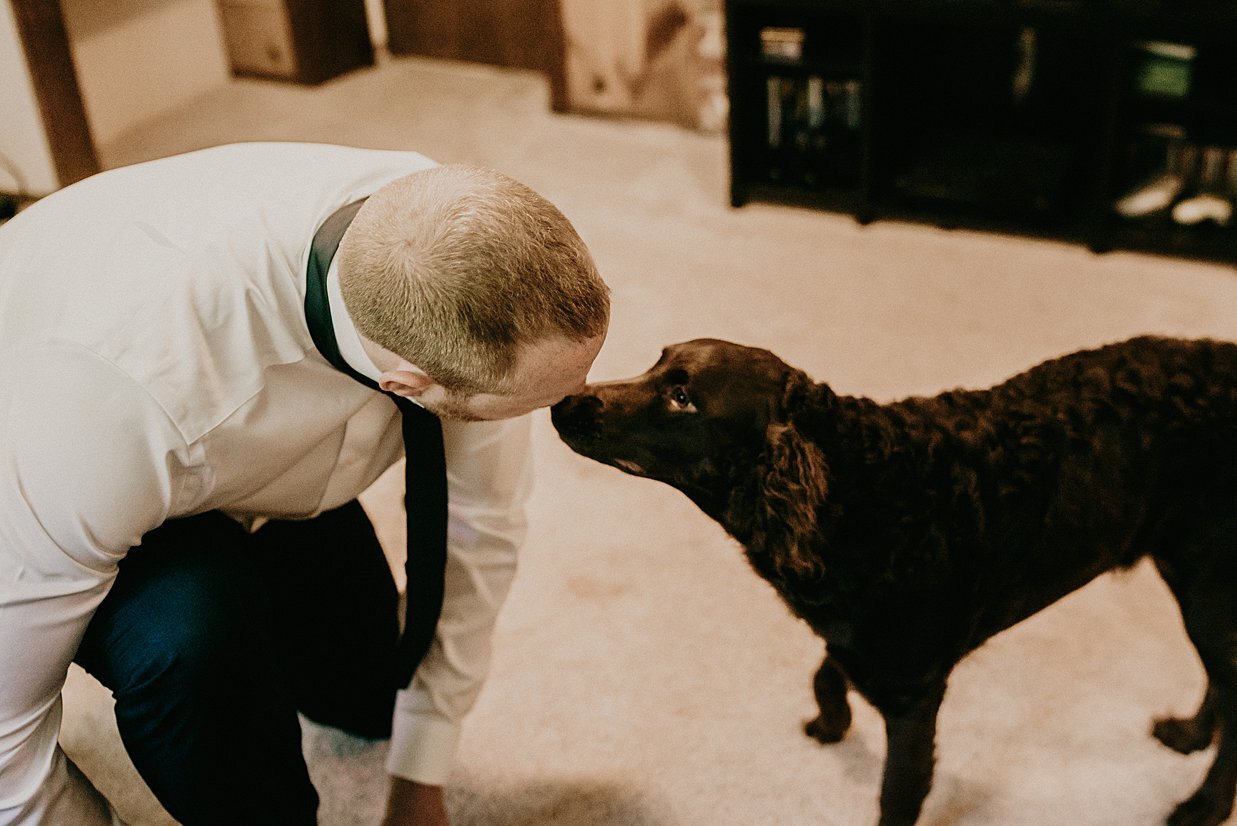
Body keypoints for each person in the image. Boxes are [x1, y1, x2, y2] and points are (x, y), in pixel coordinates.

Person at [0, 142, 610, 825]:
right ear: (404, 386)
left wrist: (420, 777)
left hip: (253, 483)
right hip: (53, 474)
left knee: (374, 699)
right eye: (538, 403)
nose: (580, 403)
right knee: (197, 648)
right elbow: (5, 748)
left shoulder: (444, 247)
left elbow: (480, 524)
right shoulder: (103, 407)